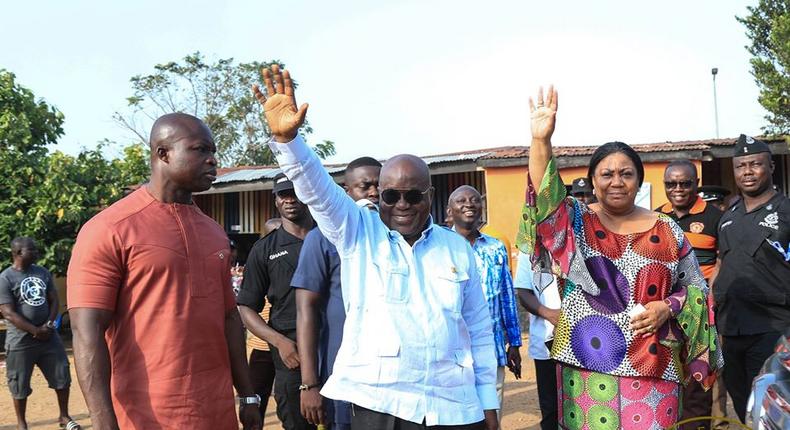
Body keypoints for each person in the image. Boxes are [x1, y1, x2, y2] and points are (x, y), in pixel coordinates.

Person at [254, 65, 498, 430]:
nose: (402, 204)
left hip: (454, 407)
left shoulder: (456, 249)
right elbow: (316, 191)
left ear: (429, 196)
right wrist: (289, 143)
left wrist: (488, 404)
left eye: (413, 195)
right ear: (378, 196)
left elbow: (478, 329)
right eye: (390, 195)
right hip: (380, 404)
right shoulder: (355, 232)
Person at [520, 86, 721, 429]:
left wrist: (668, 307)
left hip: (654, 368)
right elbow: (544, 196)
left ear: (639, 181)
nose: (617, 181)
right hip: (585, 368)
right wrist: (541, 142)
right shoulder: (576, 222)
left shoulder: (667, 229)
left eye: (626, 174)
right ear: (594, 183)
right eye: (607, 174)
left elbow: (699, 291)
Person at [67, 113, 261, 430]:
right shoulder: (109, 229)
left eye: (213, 151)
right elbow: (86, 332)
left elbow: (229, 319)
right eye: (201, 150)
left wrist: (248, 396)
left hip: (216, 413)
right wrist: (104, 422)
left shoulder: (214, 233)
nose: (213, 160)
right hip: (144, 416)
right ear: (163, 153)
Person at [293, 157, 382, 429]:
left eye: (380, 186)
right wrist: (309, 383)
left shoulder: (394, 238)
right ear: (346, 192)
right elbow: (306, 310)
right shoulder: (321, 239)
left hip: (388, 377)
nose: (374, 193)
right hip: (340, 374)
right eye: (365, 186)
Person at [711, 134, 790, 423]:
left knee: (772, 406)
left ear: (771, 166)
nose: (747, 171)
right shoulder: (728, 216)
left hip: (775, 326)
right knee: (743, 403)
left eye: (755, 164)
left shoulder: (786, 211)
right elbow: (722, 262)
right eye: (740, 165)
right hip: (732, 328)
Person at [237, 173, 317, 430]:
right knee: (297, 423)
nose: (291, 199)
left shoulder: (330, 238)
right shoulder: (264, 250)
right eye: (284, 194)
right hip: (290, 357)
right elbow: (246, 307)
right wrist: (280, 343)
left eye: (296, 192)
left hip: (335, 351)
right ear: (276, 200)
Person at [657, 160, 726, 429]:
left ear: (695, 183)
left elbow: (723, 260)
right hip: (666, 313)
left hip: (703, 312)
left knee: (704, 378)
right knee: (669, 374)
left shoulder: (714, 217)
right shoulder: (656, 217)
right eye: (671, 184)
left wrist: (710, 296)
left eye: (685, 183)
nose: (678, 189)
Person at [446, 185, 522, 421]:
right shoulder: (440, 247)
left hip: (491, 346)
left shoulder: (495, 247)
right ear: (450, 211)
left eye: (475, 200)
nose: (469, 204)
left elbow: (507, 297)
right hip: (450, 349)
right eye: (461, 201)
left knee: (492, 413)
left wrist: (515, 343)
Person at [0, 238, 81, 430]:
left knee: (62, 376)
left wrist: (50, 325)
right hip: (21, 341)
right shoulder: (5, 278)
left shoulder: (42, 272)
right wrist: (35, 331)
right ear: (18, 253)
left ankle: (64, 416)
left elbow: (54, 300)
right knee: (19, 384)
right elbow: (8, 312)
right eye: (32, 250)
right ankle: (22, 424)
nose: (37, 252)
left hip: (49, 338)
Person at [513, 251, 560, 430]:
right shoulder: (530, 248)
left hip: (585, 342)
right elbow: (524, 292)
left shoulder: (582, 237)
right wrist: (549, 314)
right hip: (546, 343)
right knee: (551, 410)